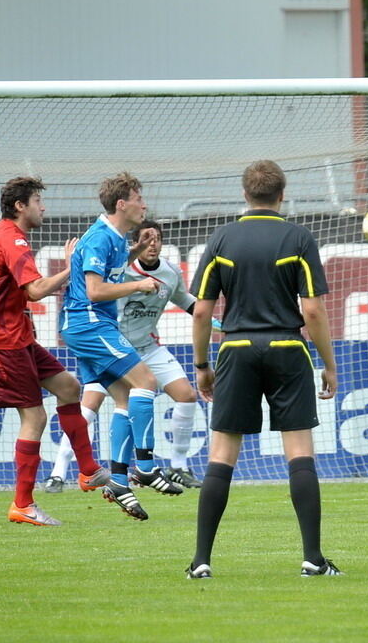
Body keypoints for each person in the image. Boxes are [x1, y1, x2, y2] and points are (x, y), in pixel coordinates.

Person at [186, 160, 340, 579]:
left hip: (235, 347)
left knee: (221, 455)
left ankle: (201, 561)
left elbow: (201, 313)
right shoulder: (298, 237)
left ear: (245, 194)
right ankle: (313, 558)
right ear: (281, 194)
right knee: (300, 452)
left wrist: (201, 365)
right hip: (288, 347)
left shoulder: (222, 238)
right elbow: (312, 310)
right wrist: (328, 363)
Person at [45, 219, 221, 492]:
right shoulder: (121, 272)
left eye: (157, 239)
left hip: (148, 348)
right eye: (147, 239)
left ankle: (177, 466)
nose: (153, 245)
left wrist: (221, 323)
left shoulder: (170, 273)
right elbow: (93, 289)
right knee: (89, 407)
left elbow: (187, 302)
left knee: (186, 395)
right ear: (136, 242)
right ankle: (58, 472)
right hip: (113, 348)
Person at [0, 176, 109, 526]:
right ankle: (23, 504)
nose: (43, 207)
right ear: (21, 206)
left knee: (68, 387)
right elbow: (34, 291)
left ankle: (89, 470)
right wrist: (71, 265)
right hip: (1, 341)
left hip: (15, 336)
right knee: (34, 417)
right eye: (37, 200)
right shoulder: (13, 239)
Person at [61, 172, 183, 522]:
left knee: (125, 398)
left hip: (89, 325)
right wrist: (139, 286)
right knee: (146, 382)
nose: (144, 204)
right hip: (89, 323)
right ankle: (144, 466)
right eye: (139, 197)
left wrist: (135, 250)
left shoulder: (116, 238)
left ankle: (117, 480)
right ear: (122, 204)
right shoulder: (100, 238)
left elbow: (112, 266)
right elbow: (96, 291)